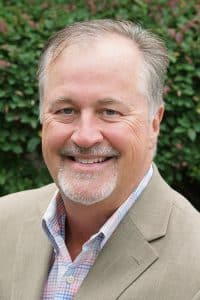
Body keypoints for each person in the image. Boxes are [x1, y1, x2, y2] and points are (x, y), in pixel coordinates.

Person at [0, 19, 200, 300]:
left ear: (154, 123)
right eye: (66, 110)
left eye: (110, 112)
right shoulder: (4, 220)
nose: (85, 136)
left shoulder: (195, 266)